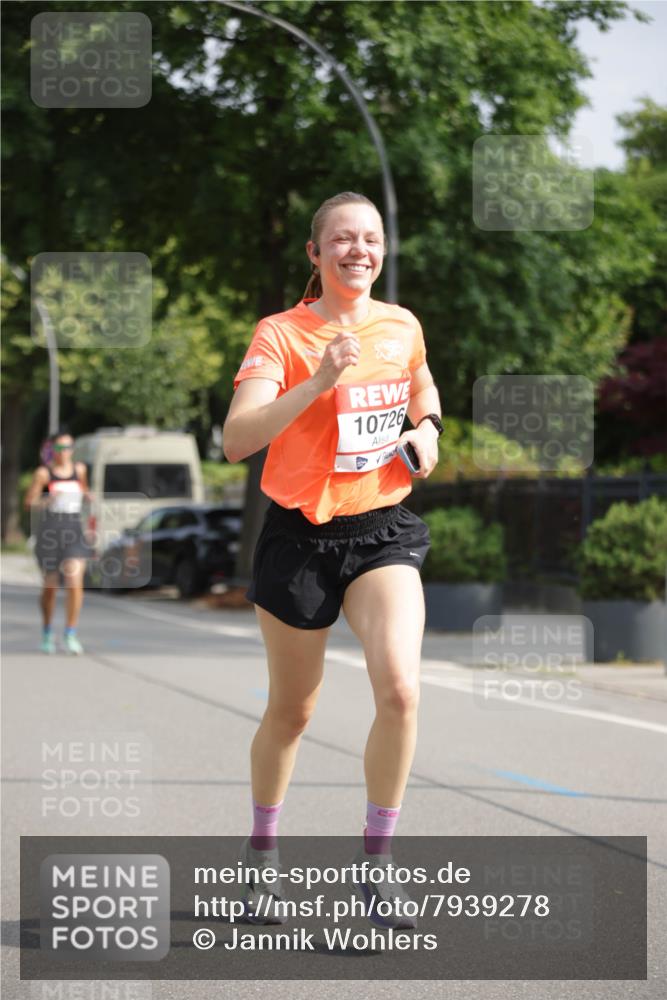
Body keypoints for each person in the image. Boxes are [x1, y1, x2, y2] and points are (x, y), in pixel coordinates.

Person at [223, 191, 443, 928]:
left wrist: (429, 430)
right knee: (293, 711)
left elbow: (419, 383)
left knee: (402, 692)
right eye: (342, 240)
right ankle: (261, 856)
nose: (359, 250)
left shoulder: (400, 323)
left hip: (382, 528)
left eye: (371, 239)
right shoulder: (280, 335)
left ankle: (376, 870)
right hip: (299, 540)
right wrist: (316, 382)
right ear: (314, 256)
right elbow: (237, 439)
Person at [23, 429, 93, 655]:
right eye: (60, 448)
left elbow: (84, 490)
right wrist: (47, 499)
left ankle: (70, 632)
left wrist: (88, 497)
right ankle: (46, 631)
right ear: (52, 450)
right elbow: (29, 503)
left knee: (74, 580)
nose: (65, 452)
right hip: (50, 533)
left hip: (73, 530)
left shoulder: (79, 470)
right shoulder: (44, 474)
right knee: (50, 588)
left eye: (68, 447)